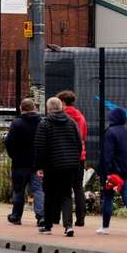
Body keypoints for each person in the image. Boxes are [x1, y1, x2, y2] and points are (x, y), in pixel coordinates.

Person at [33, 97, 82, 236]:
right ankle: (68, 226)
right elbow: (78, 143)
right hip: (70, 165)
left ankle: (48, 225)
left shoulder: (45, 124)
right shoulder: (71, 122)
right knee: (66, 195)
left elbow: (40, 146)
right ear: (62, 108)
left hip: (51, 165)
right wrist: (75, 160)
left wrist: (39, 166)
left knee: (49, 194)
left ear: (48, 109)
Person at [96, 107, 127, 237]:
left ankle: (105, 227)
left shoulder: (110, 132)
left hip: (114, 171)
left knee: (108, 197)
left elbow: (107, 155)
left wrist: (104, 173)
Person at [4, 98, 44, 226]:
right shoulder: (42, 122)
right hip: (37, 163)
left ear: (22, 109)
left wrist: (13, 156)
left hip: (20, 163)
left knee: (18, 189)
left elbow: (9, 142)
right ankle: (41, 216)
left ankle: (16, 216)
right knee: (38, 189)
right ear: (34, 108)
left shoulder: (17, 123)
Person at [57, 90, 88, 227]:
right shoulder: (80, 117)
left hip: (63, 156)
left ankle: (61, 218)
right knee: (78, 187)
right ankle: (80, 219)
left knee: (64, 189)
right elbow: (84, 136)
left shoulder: (60, 117)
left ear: (63, 102)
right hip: (79, 156)